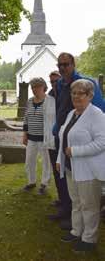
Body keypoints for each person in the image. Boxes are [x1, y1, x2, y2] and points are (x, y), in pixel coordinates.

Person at [48, 52, 105, 225]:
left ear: (73, 65)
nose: (63, 68)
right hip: (60, 136)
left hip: (80, 140)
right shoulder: (58, 84)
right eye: (60, 65)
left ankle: (79, 217)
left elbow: (100, 110)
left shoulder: (86, 84)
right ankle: (66, 208)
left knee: (79, 178)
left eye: (66, 64)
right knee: (61, 175)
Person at [57, 79, 105, 252]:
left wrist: (76, 151)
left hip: (89, 170)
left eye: (80, 93)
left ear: (90, 95)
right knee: (76, 202)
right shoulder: (72, 114)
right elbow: (64, 137)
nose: (76, 96)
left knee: (89, 205)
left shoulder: (97, 115)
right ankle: (77, 230)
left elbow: (102, 142)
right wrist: (59, 160)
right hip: (71, 168)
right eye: (73, 93)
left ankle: (89, 239)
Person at [22, 77, 55, 195]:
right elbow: (26, 118)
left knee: (46, 162)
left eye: (36, 87)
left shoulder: (50, 101)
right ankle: (31, 182)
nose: (34, 89)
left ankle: (44, 184)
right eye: (32, 87)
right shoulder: (30, 101)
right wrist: (25, 134)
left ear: (43, 87)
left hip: (45, 138)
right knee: (29, 161)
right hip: (31, 138)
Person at [48, 71, 62, 207]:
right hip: (52, 138)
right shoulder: (50, 96)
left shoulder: (66, 94)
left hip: (63, 138)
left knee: (63, 171)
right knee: (56, 170)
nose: (54, 84)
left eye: (56, 81)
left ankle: (67, 202)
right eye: (51, 82)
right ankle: (61, 198)